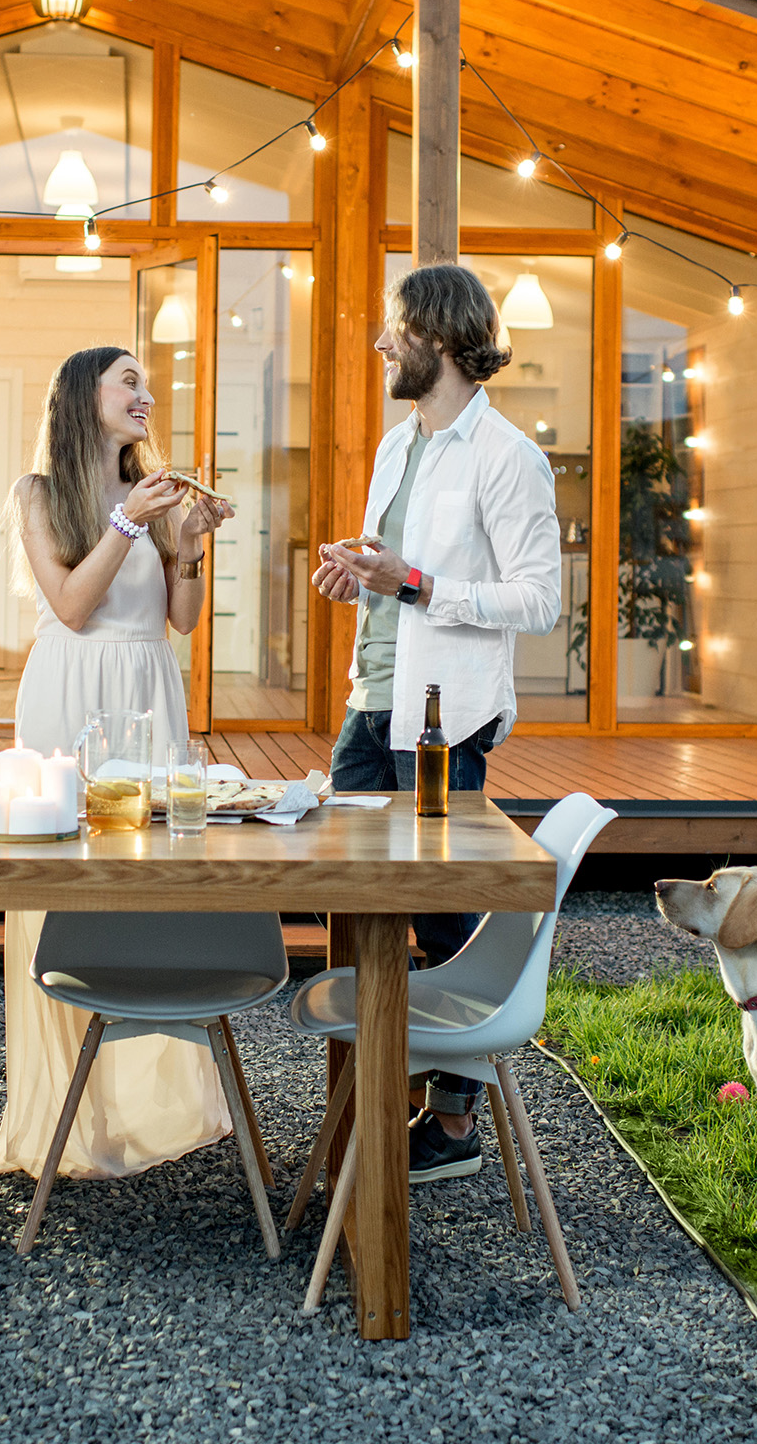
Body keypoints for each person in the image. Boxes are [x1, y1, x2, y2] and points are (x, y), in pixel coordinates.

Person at [311, 262, 561, 1184]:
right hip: (370, 703)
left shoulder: (508, 457)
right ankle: (367, 1089)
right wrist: (360, 573)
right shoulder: (397, 445)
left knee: (445, 908)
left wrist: (412, 582)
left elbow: (539, 600)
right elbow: (397, 570)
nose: (382, 343)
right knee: (352, 896)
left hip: (443, 721)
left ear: (445, 341)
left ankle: (454, 1118)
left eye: (395, 330)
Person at [0, 345, 234, 1180]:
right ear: (81, 394)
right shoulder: (38, 495)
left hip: (144, 682)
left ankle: (150, 1102)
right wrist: (129, 519)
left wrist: (192, 543)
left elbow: (182, 619)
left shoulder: (158, 493)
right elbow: (69, 603)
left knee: (151, 875)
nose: (147, 393)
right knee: (63, 884)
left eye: (146, 382)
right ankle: (65, 1109)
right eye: (129, 380)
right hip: (68, 688)